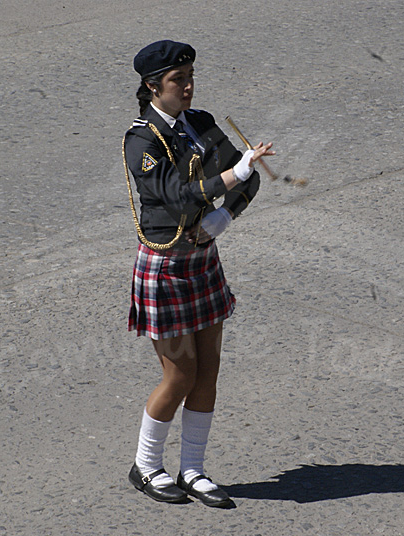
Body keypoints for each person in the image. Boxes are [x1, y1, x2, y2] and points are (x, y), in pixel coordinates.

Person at [121, 40, 274, 508]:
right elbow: (179, 196)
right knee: (180, 376)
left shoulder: (201, 122)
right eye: (177, 80)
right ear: (153, 86)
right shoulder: (142, 140)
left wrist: (225, 216)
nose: (187, 87)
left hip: (202, 260)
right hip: (166, 265)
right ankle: (147, 466)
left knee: (208, 372)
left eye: (190, 78)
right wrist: (234, 175)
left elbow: (250, 176)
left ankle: (193, 469)